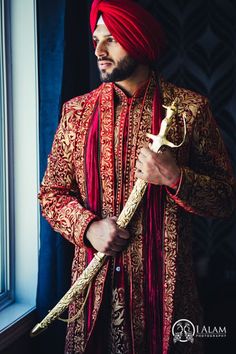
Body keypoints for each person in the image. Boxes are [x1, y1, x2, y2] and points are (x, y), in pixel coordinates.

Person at [38, 0, 235, 353]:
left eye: (111, 39)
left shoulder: (190, 110)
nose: (98, 50)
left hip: (168, 297)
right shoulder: (76, 113)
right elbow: (50, 194)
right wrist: (88, 228)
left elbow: (226, 200)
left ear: (139, 41)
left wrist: (176, 178)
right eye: (96, 39)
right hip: (92, 296)